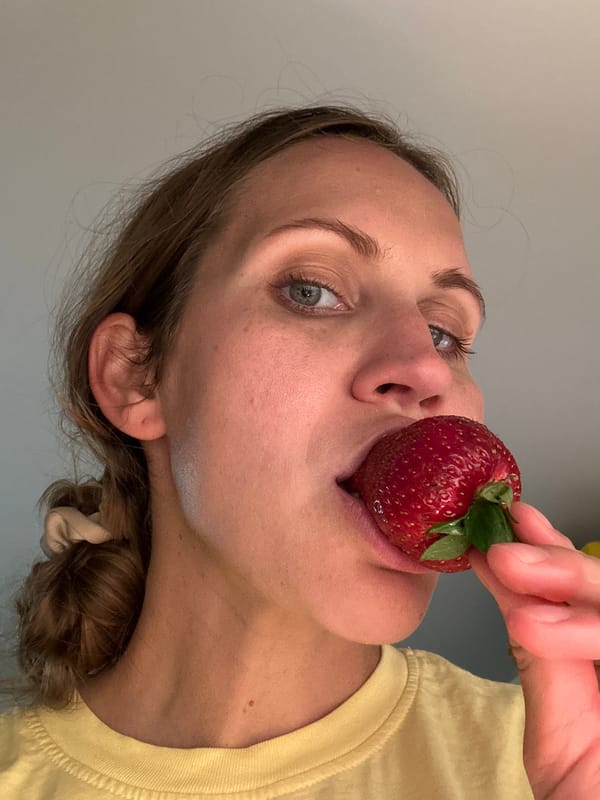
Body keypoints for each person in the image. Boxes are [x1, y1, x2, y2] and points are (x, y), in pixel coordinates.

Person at [0, 105, 598, 799]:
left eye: (444, 333)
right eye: (311, 290)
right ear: (138, 374)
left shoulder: (547, 766)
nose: (428, 369)